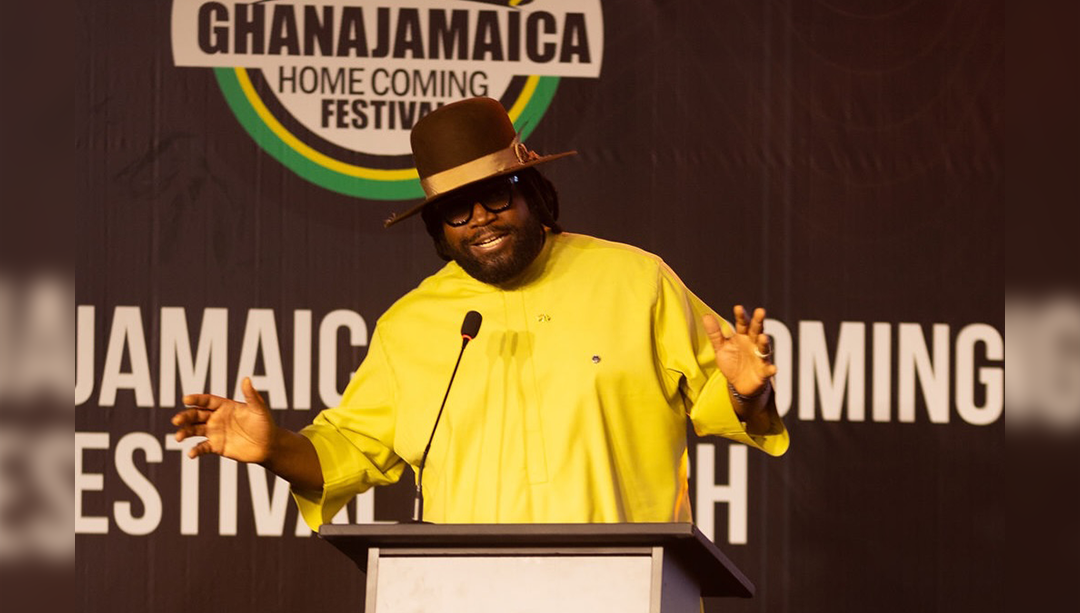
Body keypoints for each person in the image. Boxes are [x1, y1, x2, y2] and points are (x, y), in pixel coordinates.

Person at [172, 97, 788, 529]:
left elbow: (726, 399)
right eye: (456, 210)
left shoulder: (635, 280)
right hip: (467, 591)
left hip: (625, 588)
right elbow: (351, 449)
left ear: (531, 192)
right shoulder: (410, 324)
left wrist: (747, 391)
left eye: (494, 195)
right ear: (439, 228)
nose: (480, 221)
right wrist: (275, 448)